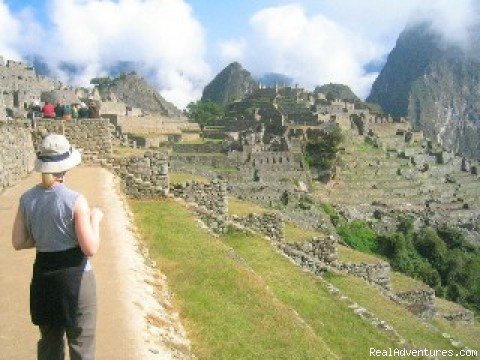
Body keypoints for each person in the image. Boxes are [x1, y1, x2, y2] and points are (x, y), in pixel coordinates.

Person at [12, 134, 103, 360]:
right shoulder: (74, 200)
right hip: (76, 277)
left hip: (44, 277)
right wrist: (95, 220)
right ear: (66, 166)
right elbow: (89, 248)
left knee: (50, 342)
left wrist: (43, 235)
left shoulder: (27, 199)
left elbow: (19, 241)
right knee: (81, 343)